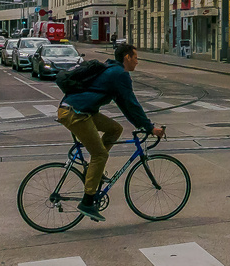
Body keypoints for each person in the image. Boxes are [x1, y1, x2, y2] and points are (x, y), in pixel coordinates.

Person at [56, 40, 165, 221]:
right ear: (127, 57)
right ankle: (87, 202)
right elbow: (132, 103)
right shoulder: (119, 74)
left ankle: (93, 171)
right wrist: (150, 127)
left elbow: (125, 106)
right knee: (100, 155)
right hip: (75, 113)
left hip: (80, 110)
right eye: (135, 58)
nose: (137, 62)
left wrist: (144, 125)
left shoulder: (112, 70)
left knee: (115, 129)